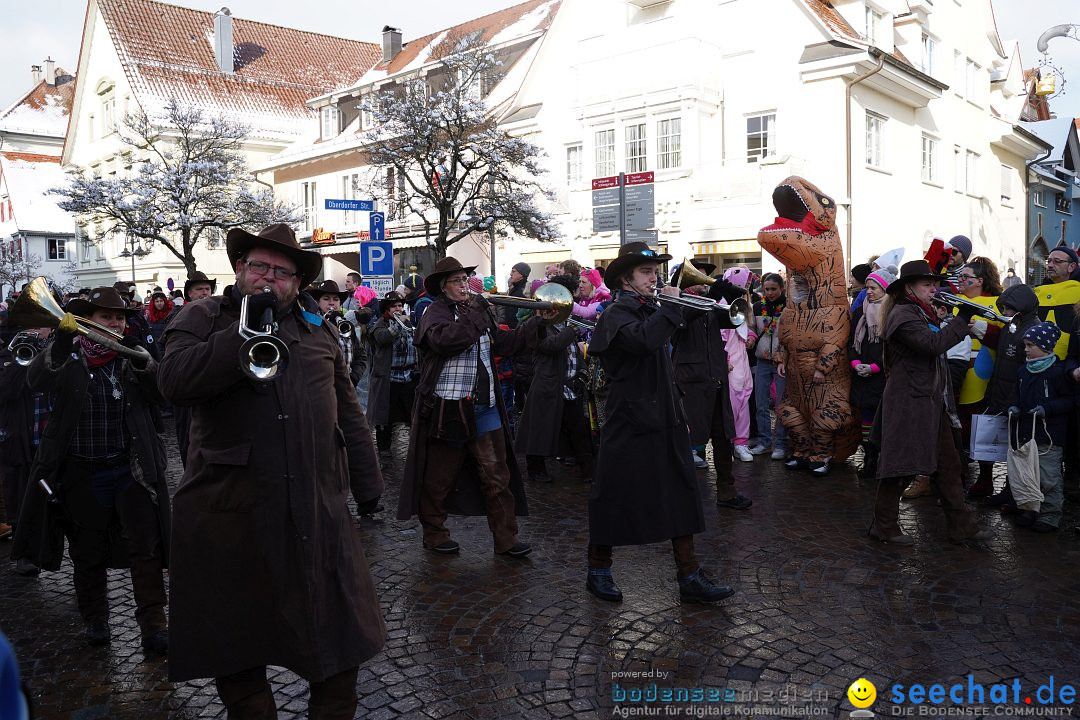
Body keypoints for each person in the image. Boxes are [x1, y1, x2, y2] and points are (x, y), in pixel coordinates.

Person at [158, 224, 385, 716]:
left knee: (341, 658)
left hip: (317, 513)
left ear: (297, 284)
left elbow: (348, 411)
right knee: (240, 667)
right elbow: (173, 382)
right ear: (239, 270)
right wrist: (242, 335)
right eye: (259, 267)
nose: (269, 279)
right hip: (231, 519)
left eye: (282, 273)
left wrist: (369, 486)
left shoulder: (317, 329)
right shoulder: (200, 317)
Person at [11, 288, 170, 652]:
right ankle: (95, 619)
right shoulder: (70, 356)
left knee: (145, 549)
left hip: (131, 470)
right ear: (87, 321)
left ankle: (154, 626)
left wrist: (145, 362)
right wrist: (60, 344)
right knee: (87, 550)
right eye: (105, 317)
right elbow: (36, 381)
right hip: (81, 472)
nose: (114, 323)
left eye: (119, 317)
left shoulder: (132, 356)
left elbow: (162, 393)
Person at [585, 243, 735, 604]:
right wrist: (670, 306)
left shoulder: (651, 307)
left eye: (656, 272)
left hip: (665, 413)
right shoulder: (616, 314)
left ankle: (689, 574)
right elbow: (643, 341)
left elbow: (670, 334)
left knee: (680, 492)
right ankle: (598, 569)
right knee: (614, 493)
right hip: (630, 417)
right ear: (625, 279)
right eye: (646, 272)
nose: (655, 278)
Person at [398, 256, 537, 558]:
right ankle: (435, 534)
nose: (464, 285)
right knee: (439, 478)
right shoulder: (433, 314)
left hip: (484, 406)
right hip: (448, 409)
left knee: (497, 477)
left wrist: (538, 322)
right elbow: (448, 341)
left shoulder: (477, 311)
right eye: (457, 281)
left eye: (465, 279)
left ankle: (506, 539)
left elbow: (503, 344)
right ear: (443, 288)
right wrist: (477, 314)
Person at [869, 260, 991, 546]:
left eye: (935, 283)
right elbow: (932, 346)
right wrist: (963, 319)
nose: (934, 289)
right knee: (900, 466)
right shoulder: (903, 315)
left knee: (949, 465)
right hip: (908, 402)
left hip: (930, 401)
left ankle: (962, 526)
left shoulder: (919, 312)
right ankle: (884, 526)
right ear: (909, 288)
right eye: (927, 284)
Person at [670, 261, 754, 511]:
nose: (703, 283)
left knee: (723, 436)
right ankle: (679, 494)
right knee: (686, 439)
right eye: (698, 279)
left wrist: (728, 292)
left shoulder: (708, 307)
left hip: (716, 379)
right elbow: (678, 324)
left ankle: (727, 491)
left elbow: (735, 319)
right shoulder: (674, 304)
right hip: (690, 381)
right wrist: (714, 295)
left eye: (706, 279)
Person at [516, 275, 593, 484]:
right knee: (539, 430)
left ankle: (587, 469)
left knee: (578, 429)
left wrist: (582, 372)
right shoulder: (535, 325)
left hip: (569, 387)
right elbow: (550, 346)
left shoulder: (564, 324)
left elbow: (573, 354)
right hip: (548, 385)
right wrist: (572, 330)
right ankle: (536, 469)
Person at [977, 284, 1041, 509]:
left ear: (1021, 308)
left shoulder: (1032, 328)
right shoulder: (1011, 326)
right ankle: (1007, 489)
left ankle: (1016, 492)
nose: (1003, 312)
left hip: (1017, 397)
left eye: (1008, 308)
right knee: (1005, 446)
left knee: (1017, 449)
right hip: (1001, 393)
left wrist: (1018, 400)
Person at [1007, 322, 1075, 532]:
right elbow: (1017, 395)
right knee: (1027, 474)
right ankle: (1030, 508)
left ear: (1045, 346)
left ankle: (1050, 514)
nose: (1026, 349)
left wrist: (1048, 409)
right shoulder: (1023, 371)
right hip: (1026, 432)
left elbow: (1069, 400)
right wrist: (1014, 406)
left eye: (1030, 345)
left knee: (1048, 476)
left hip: (1049, 436)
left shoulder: (1058, 372)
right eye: (1025, 345)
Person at [0, 326, 52, 571]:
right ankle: (24, 555)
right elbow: (6, 392)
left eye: (42, 326)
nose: (37, 331)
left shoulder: (56, 349)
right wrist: (21, 361)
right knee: (20, 497)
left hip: (49, 437)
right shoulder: (9, 356)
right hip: (21, 440)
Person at [849, 267, 894, 479]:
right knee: (866, 419)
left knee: (882, 420)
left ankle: (881, 461)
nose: (868, 292)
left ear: (885, 289)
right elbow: (852, 343)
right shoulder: (859, 312)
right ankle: (869, 459)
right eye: (867, 288)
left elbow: (892, 349)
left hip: (883, 378)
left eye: (873, 288)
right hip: (862, 376)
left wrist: (875, 367)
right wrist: (856, 363)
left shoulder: (892, 314)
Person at [368, 292, 417, 461]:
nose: (398, 309)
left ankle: (416, 448)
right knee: (385, 418)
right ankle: (384, 450)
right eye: (394, 306)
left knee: (413, 415)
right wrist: (398, 324)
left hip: (408, 377)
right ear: (387, 309)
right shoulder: (379, 325)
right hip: (389, 380)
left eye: (399, 305)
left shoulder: (408, 324)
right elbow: (383, 338)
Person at [748, 273, 788, 460]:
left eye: (774, 289)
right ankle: (764, 442)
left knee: (781, 404)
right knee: (761, 404)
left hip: (782, 362)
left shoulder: (789, 307)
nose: (770, 293)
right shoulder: (757, 307)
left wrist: (784, 355)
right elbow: (752, 330)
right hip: (762, 361)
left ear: (782, 288)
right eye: (767, 289)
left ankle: (780, 444)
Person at [310, 279, 366, 386]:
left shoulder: (346, 325)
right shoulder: (311, 323)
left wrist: (353, 378)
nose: (331, 303)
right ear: (318, 302)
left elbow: (361, 355)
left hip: (346, 386)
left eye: (336, 299)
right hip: (321, 387)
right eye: (326, 299)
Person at [145, 291, 173, 361]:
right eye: (157, 301)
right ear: (153, 303)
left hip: (168, 350)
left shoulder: (171, 314)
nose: (159, 303)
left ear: (165, 302)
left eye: (161, 301)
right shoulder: (150, 317)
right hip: (155, 350)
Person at [503, 262, 531, 328]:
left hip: (517, 331)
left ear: (521, 274)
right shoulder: (515, 288)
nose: (510, 274)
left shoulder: (524, 292)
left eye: (513, 271)